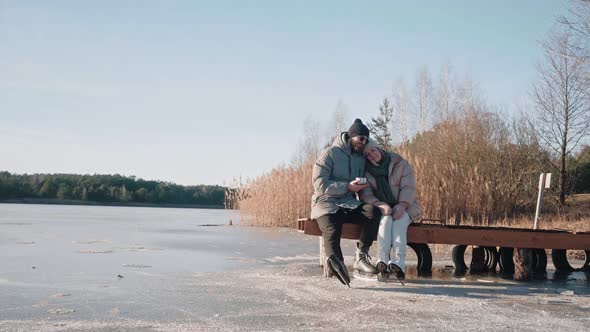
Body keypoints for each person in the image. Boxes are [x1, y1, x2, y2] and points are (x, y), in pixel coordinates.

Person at [311, 119, 381, 286]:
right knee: (332, 228)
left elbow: (364, 184)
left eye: (366, 140)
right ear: (352, 136)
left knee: (373, 211)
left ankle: (361, 256)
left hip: (348, 203)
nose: (363, 143)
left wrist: (364, 189)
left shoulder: (360, 158)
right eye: (361, 139)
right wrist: (347, 187)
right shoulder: (329, 153)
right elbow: (319, 184)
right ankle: (337, 263)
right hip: (326, 202)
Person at [360, 140, 421, 281]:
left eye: (373, 151)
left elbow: (409, 187)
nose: (371, 156)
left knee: (399, 224)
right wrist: (379, 204)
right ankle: (382, 261)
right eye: (367, 155)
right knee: (385, 222)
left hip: (406, 206)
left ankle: (398, 262)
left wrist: (402, 205)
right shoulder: (367, 172)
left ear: (379, 149)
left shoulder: (400, 163)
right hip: (384, 207)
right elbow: (366, 194)